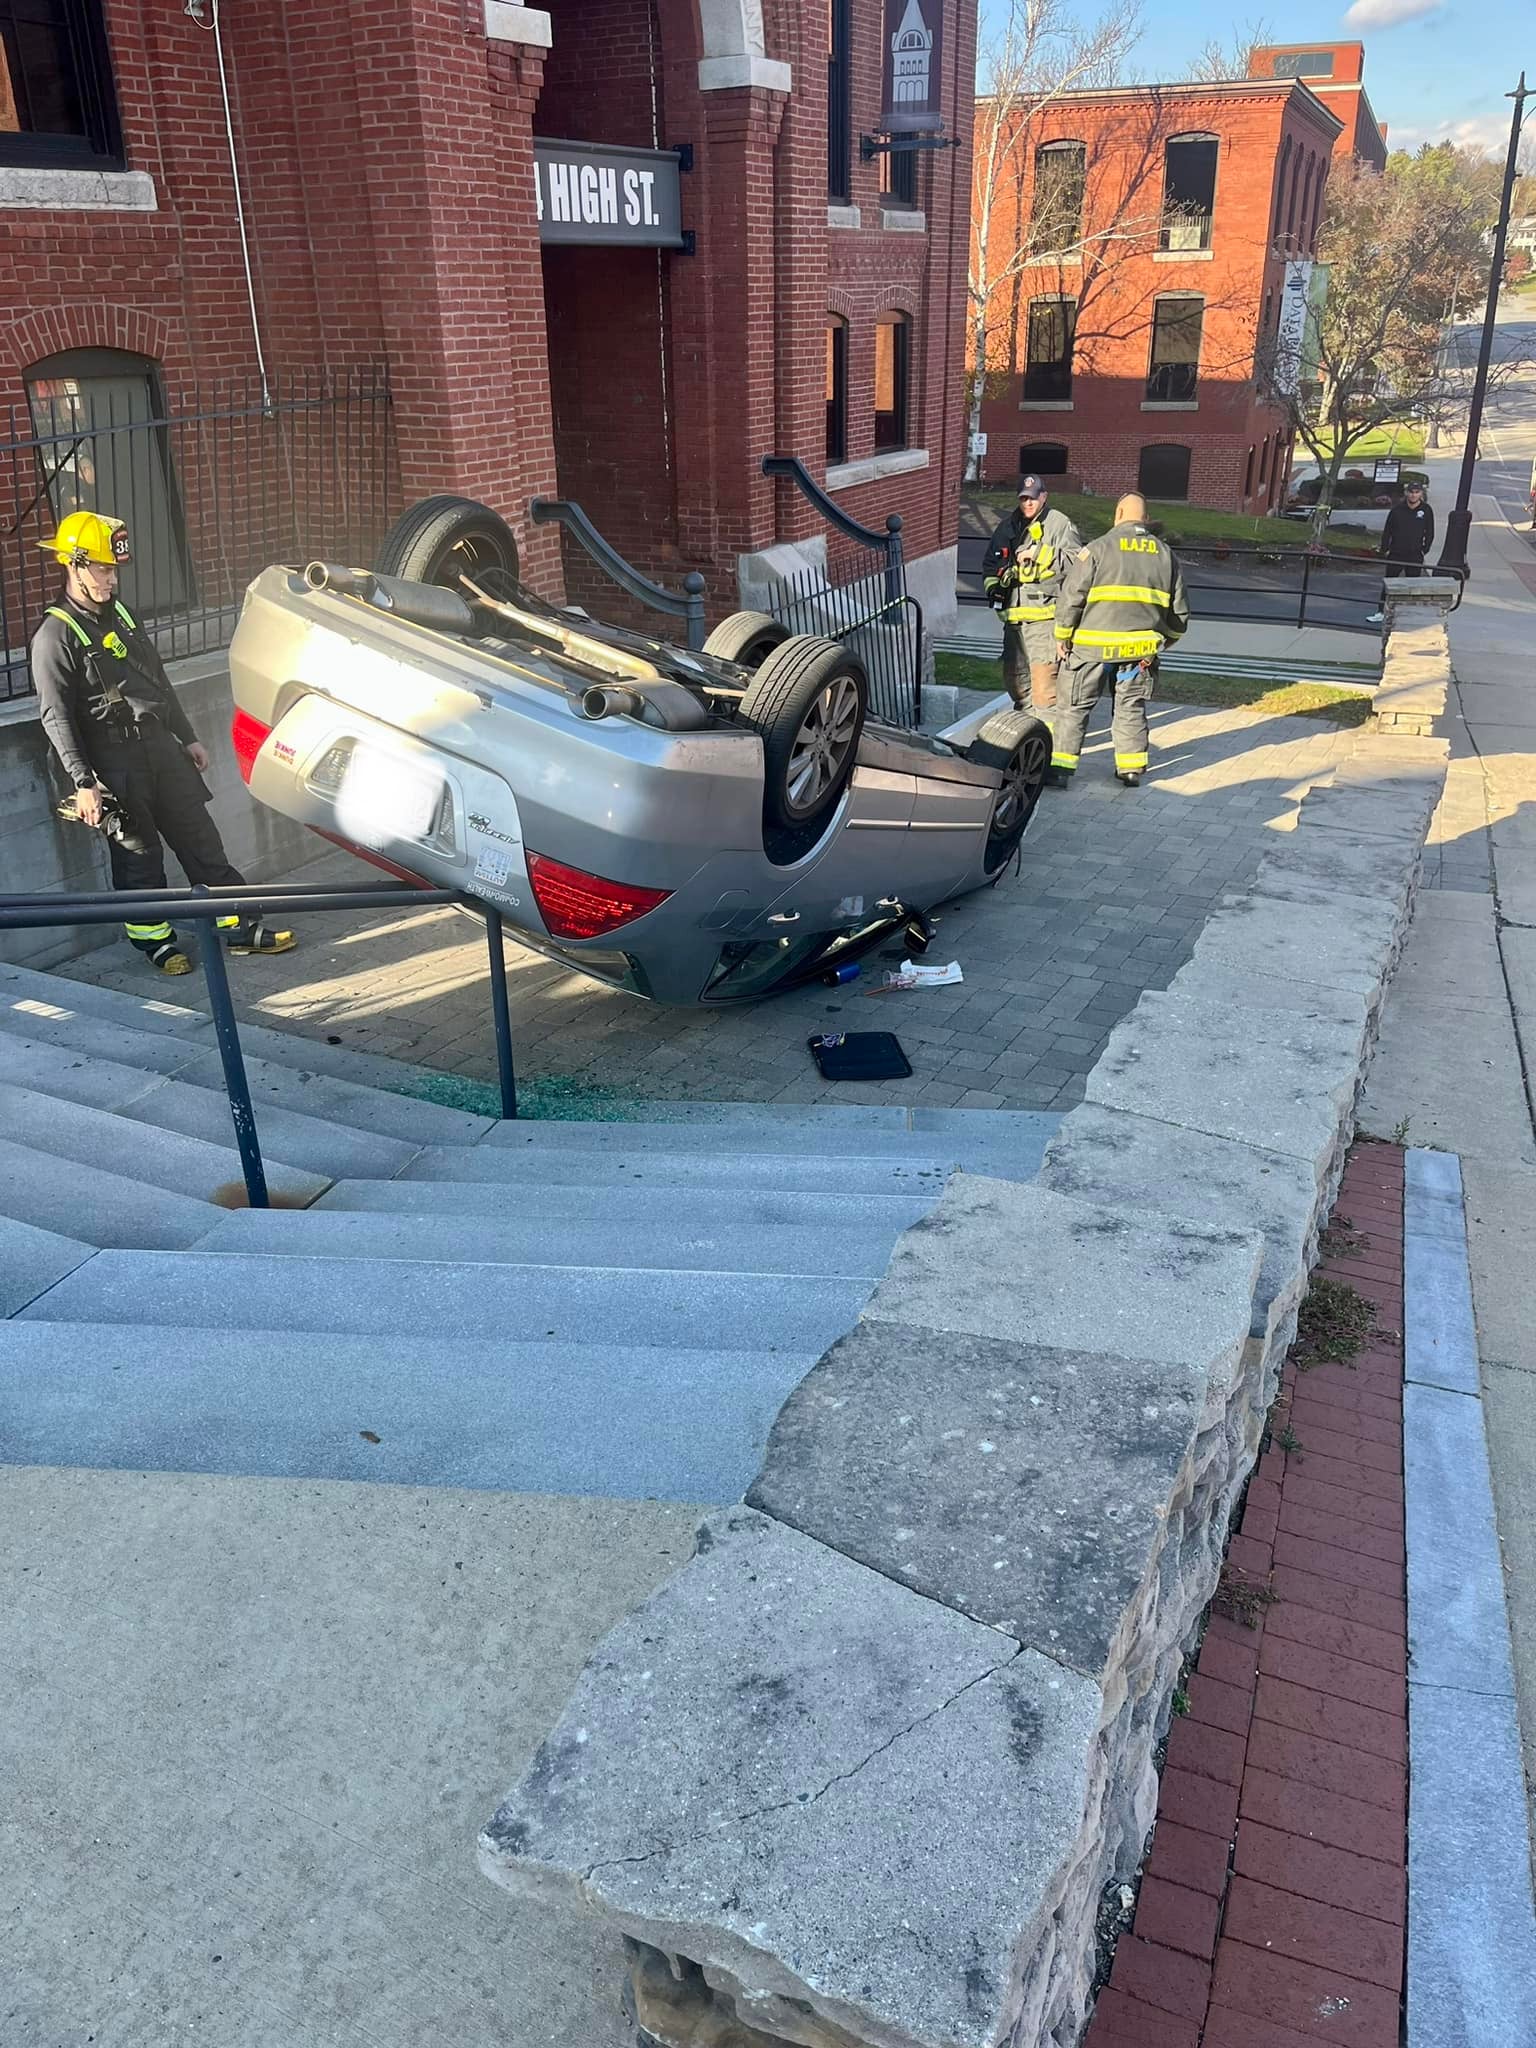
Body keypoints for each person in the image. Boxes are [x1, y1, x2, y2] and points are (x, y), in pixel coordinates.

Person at [29, 510, 295, 976]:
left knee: (201, 841)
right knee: (139, 859)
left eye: (114, 569)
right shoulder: (54, 637)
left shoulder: (124, 616)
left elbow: (157, 680)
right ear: (73, 566)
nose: (112, 579)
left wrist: (187, 735)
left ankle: (238, 928)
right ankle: (157, 944)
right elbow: (56, 717)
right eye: (103, 569)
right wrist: (83, 782)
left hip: (159, 748)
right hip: (113, 763)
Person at [1046, 492, 1189, 790]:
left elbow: (1072, 597)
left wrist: (1062, 635)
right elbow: (1179, 612)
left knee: (1073, 707)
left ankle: (1060, 769)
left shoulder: (1096, 550)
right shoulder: (1165, 555)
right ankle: (1131, 769)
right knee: (1131, 706)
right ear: (1146, 519)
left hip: (1090, 649)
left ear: (1118, 515)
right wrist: (1166, 641)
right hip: (1139, 653)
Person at [981, 475, 1083, 711]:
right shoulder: (1007, 527)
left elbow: (1079, 563)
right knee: (1017, 686)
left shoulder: (1059, 524)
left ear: (1044, 497)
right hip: (1013, 624)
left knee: (1045, 692)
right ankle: (1028, 737)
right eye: (1024, 498)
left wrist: (1041, 554)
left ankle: (1048, 743)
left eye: (1033, 498)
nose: (1028, 503)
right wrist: (995, 590)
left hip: (1044, 623)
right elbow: (989, 565)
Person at [1365, 480, 1434, 624]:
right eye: (1411, 492)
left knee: (1412, 585)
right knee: (1389, 583)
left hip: (1415, 554)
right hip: (1396, 552)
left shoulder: (1426, 510)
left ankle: (1408, 614)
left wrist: (1424, 549)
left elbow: (1430, 532)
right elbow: (1388, 531)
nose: (1414, 495)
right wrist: (1385, 548)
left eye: (1417, 492)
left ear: (1421, 493)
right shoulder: (1397, 510)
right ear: (1406, 493)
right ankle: (1381, 612)